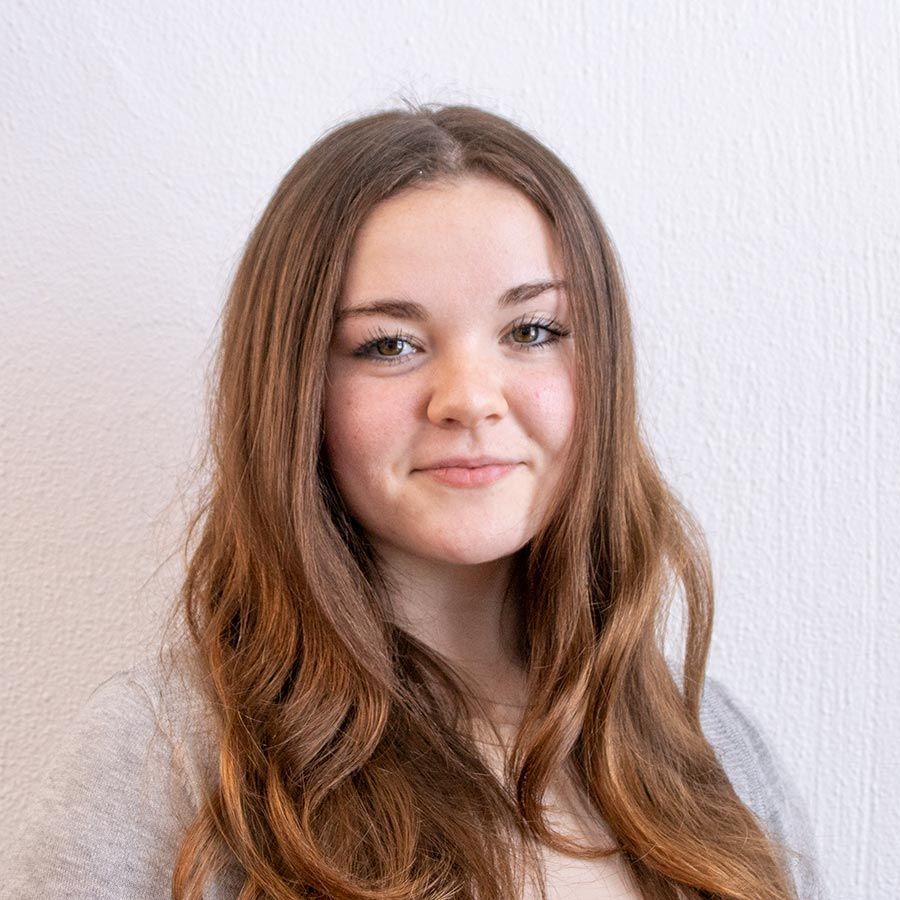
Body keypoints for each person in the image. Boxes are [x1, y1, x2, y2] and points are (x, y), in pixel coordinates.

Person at [5, 101, 828, 900]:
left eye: (532, 331)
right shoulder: (164, 757)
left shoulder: (708, 742)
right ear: (296, 392)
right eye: (390, 344)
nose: (469, 398)